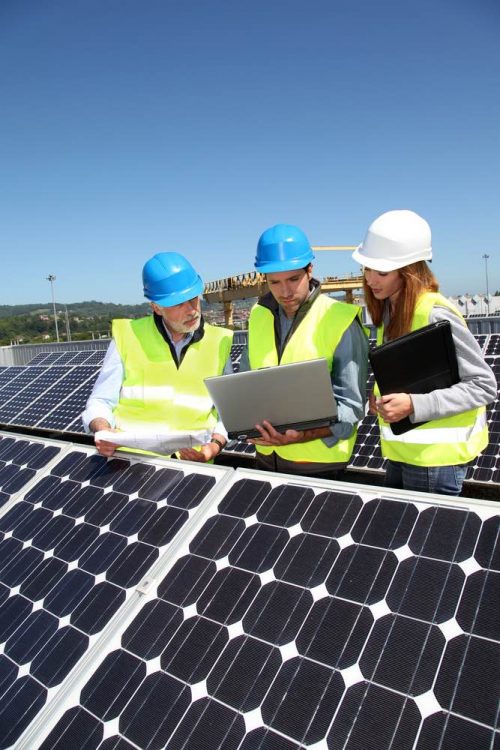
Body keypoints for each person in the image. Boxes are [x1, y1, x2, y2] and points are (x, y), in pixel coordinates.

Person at [353, 209, 497, 496]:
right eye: (367, 269)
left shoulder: (434, 312)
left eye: (381, 271)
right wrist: (382, 397)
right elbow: (414, 375)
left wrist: (414, 406)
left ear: (409, 270)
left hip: (436, 461)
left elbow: (484, 386)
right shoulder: (391, 309)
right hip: (402, 453)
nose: (371, 279)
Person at [239, 223, 369, 479]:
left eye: (293, 279)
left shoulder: (340, 320)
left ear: (310, 269)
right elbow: (245, 387)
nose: (285, 291)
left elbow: (352, 409)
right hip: (265, 462)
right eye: (274, 282)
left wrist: (302, 435)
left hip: (319, 469)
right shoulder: (258, 317)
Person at [82, 252, 233, 462]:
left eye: (193, 299)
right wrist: (104, 431)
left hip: (195, 469)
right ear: (156, 307)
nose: (191, 311)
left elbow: (228, 413)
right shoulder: (128, 336)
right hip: (132, 464)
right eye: (179, 304)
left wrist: (213, 447)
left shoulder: (220, 341)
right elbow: (100, 400)